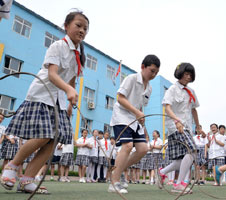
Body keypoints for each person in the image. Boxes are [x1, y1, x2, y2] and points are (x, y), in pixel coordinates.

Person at [0, 11, 89, 193]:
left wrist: (70, 102)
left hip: (59, 100)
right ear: (66, 25)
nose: (82, 30)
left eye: (85, 28)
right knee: (45, 135)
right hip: (42, 94)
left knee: (54, 139)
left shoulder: (78, 56)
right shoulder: (58, 46)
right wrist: (68, 90)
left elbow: (72, 81)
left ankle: (27, 180)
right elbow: (52, 74)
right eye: (78, 25)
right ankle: (12, 166)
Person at [108, 55, 160, 193]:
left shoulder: (149, 88)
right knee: (127, 146)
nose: (153, 75)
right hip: (122, 116)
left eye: (156, 73)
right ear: (143, 67)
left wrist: (141, 117)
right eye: (152, 71)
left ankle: (118, 170)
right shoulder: (131, 79)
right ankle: (114, 181)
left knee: (143, 149)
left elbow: (141, 106)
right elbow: (120, 98)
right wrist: (137, 112)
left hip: (135, 119)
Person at [158, 63, 200, 194]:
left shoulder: (191, 91)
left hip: (186, 126)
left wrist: (198, 126)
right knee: (192, 151)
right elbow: (167, 107)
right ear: (179, 73)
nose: (188, 77)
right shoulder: (172, 89)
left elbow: (193, 109)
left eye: (190, 75)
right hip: (175, 126)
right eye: (186, 74)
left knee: (182, 159)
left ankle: (162, 172)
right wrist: (176, 121)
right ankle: (179, 185)